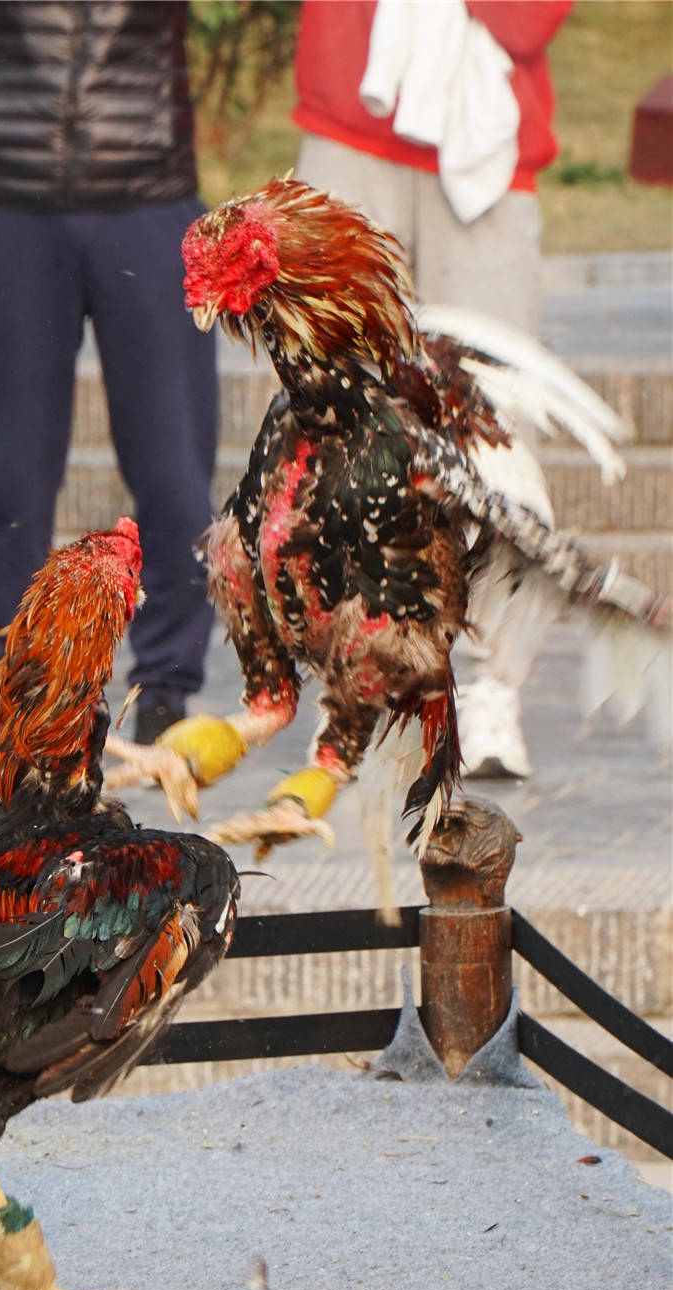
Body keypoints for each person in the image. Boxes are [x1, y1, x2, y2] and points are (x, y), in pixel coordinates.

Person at [293, 0, 572, 778]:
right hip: (347, 118)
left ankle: (488, 688)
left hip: (487, 139)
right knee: (328, 412)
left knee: (494, 430)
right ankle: (355, 671)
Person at [0, 1, 218, 784]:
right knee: (9, 480)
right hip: (12, 196)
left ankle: (168, 687)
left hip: (145, 187)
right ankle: (23, 703)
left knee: (172, 469)